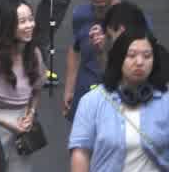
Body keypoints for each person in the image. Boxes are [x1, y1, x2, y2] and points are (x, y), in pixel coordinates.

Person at [66, 31, 169, 172]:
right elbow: (80, 152)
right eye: (131, 55)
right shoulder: (92, 101)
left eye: (147, 56)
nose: (140, 62)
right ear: (119, 58)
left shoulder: (165, 100)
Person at [66, 0, 148, 118]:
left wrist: (109, 48)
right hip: (85, 95)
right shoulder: (79, 14)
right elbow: (75, 49)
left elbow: (146, 63)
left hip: (120, 98)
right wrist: (69, 88)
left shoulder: (134, 18)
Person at [0, 1, 43, 172]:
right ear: (8, 27)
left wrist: (31, 113)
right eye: (22, 21)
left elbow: (36, 91)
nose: (29, 25)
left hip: (23, 127)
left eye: (31, 19)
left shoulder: (34, 55)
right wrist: (8, 123)